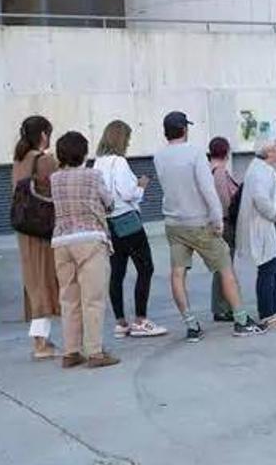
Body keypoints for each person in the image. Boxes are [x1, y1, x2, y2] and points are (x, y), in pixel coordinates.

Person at [155, 111, 265, 339]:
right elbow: (207, 190)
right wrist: (217, 220)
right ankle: (241, 320)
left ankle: (191, 324)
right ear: (184, 129)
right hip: (199, 222)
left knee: (177, 273)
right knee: (225, 267)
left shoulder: (159, 156)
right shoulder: (195, 153)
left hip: (174, 223)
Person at [50, 131, 118, 369]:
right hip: (90, 239)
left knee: (68, 298)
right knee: (93, 298)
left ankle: (71, 351)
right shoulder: (93, 175)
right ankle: (95, 351)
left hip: (61, 241)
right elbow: (109, 202)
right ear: (83, 153)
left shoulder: (54, 179)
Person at [94, 121, 165, 339]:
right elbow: (127, 192)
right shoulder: (119, 162)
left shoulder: (97, 163)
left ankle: (120, 322)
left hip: (109, 222)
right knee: (146, 267)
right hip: (127, 220)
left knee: (117, 272)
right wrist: (142, 185)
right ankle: (141, 320)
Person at [11, 115, 60, 359]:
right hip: (43, 229)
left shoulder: (19, 160)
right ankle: (41, 343)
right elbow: (57, 189)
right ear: (43, 134)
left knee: (32, 280)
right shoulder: (44, 160)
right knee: (45, 281)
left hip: (24, 229)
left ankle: (39, 340)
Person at [238, 134, 276, 328]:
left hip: (269, 224)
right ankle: (268, 313)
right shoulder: (260, 171)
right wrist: (275, 216)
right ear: (269, 151)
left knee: (273, 268)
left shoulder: (263, 168)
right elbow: (261, 200)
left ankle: (272, 310)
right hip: (264, 225)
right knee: (268, 268)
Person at [208, 137, 242, 322]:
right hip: (225, 223)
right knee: (224, 266)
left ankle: (223, 305)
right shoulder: (220, 173)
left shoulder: (210, 170)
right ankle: (222, 307)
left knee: (222, 266)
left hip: (218, 223)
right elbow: (225, 200)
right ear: (226, 151)